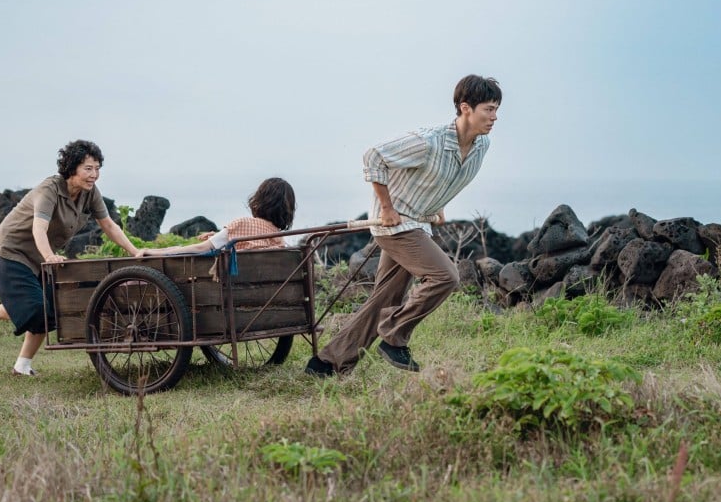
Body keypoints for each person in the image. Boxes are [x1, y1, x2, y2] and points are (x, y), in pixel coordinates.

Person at [306, 74, 501, 378]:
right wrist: (386, 207)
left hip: (417, 224)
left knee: (384, 299)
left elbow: (446, 178)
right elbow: (374, 157)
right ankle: (394, 336)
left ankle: (326, 364)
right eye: (488, 109)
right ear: (465, 108)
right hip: (394, 226)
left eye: (496, 109)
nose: (494, 116)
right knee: (446, 276)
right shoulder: (429, 141)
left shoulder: (480, 146)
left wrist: (437, 206)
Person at [0, 140, 145, 376]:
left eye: (97, 168)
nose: (94, 175)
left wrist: (135, 252)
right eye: (88, 168)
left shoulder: (89, 193)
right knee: (37, 308)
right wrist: (50, 256)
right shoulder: (49, 189)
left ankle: (22, 366)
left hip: (40, 255)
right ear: (72, 167)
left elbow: (109, 225)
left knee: (52, 307)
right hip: (14, 249)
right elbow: (38, 229)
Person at [141, 177, 296, 256]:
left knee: (177, 249)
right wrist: (219, 236)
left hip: (229, 292)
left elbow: (200, 248)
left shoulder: (242, 225)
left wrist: (154, 251)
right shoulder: (278, 238)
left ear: (259, 200)